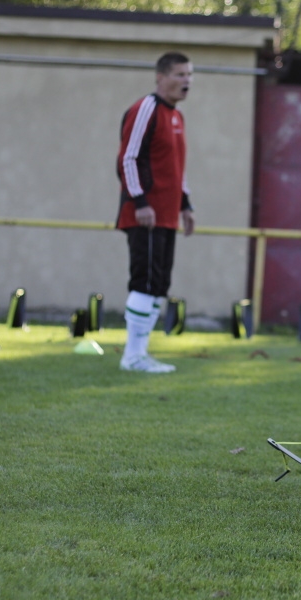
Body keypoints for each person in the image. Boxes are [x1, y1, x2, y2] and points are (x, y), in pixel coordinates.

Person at [115, 52, 195, 373]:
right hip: (144, 213)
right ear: (160, 77)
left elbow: (177, 169)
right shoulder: (146, 108)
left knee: (159, 284)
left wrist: (185, 206)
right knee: (144, 282)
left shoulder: (177, 117)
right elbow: (128, 159)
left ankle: (141, 354)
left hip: (167, 215)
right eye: (179, 74)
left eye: (189, 74)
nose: (186, 80)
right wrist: (140, 202)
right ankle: (132, 357)